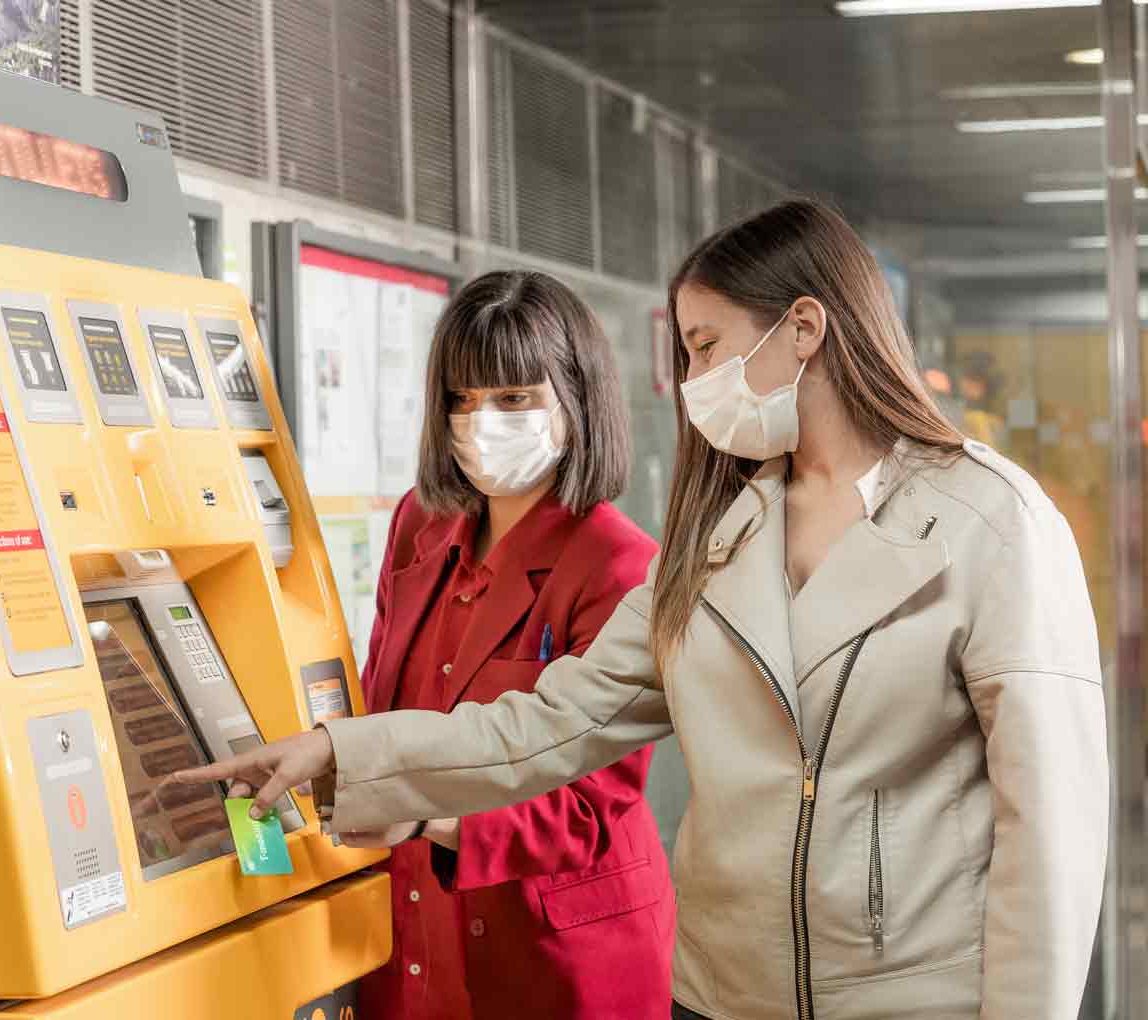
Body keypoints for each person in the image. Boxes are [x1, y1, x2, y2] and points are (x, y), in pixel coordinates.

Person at [176, 200, 1108, 1020]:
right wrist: (342, 756)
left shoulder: (989, 522)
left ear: (805, 328)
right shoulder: (719, 539)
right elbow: (549, 725)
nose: (694, 380)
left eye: (705, 346)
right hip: (715, 996)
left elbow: (1049, 830)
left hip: (907, 1002)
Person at [305, 271, 679, 1019]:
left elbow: (588, 806)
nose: (481, 423)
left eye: (514, 399)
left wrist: (424, 815)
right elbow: (386, 703)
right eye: (462, 399)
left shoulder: (620, 564)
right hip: (411, 928)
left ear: (576, 400)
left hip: (556, 955)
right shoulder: (420, 522)